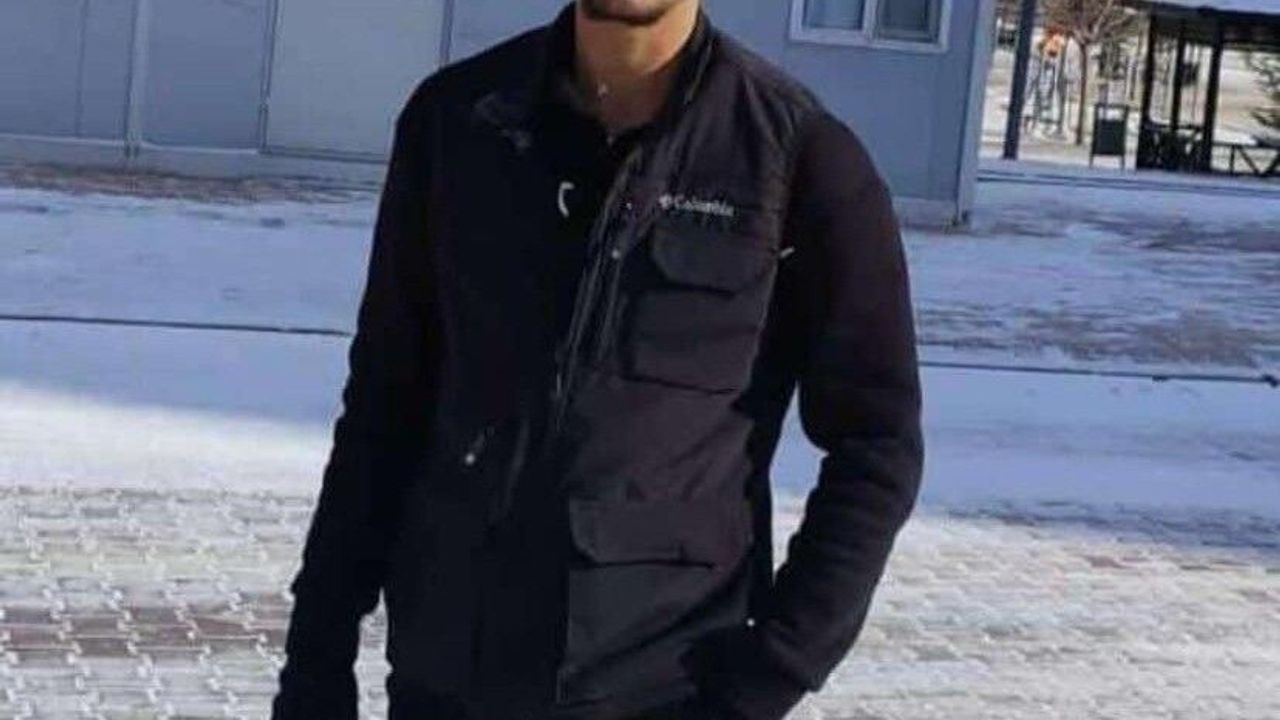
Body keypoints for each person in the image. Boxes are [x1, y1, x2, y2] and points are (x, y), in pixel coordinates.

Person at [270, 1, 924, 719]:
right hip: (445, 681)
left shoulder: (796, 159)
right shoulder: (461, 122)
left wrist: (768, 676)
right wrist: (315, 664)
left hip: (665, 690)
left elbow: (877, 445)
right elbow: (383, 406)